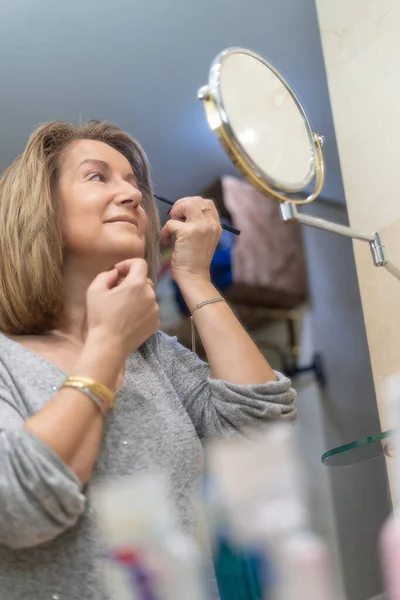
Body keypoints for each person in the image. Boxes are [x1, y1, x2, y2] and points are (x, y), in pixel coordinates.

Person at [0, 120, 296, 599]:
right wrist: (107, 345)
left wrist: (194, 274)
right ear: (39, 206)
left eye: (134, 185)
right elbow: (20, 506)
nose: (133, 196)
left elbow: (258, 429)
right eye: (98, 177)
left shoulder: (153, 353)